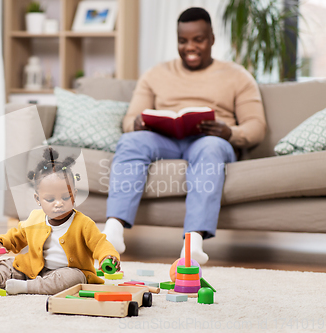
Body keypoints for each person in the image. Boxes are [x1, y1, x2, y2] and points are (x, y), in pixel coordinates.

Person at [102, 7, 266, 263]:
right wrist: (137, 123)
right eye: (183, 40)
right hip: (164, 139)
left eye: (198, 40)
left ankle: (193, 244)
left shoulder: (238, 76)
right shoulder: (156, 73)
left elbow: (257, 126)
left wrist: (229, 132)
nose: (190, 47)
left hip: (209, 139)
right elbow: (128, 120)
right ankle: (113, 232)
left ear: (211, 38)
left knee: (210, 148)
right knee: (130, 140)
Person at [0, 147, 120, 295]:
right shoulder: (35, 218)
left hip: (67, 271)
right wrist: (1, 243)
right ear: (38, 199)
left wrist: (108, 257)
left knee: (73, 278)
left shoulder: (84, 224)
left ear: (75, 195)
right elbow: (17, 236)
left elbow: (100, 244)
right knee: (7, 266)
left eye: (66, 197)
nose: (59, 203)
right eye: (50, 199)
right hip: (33, 267)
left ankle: (26, 287)